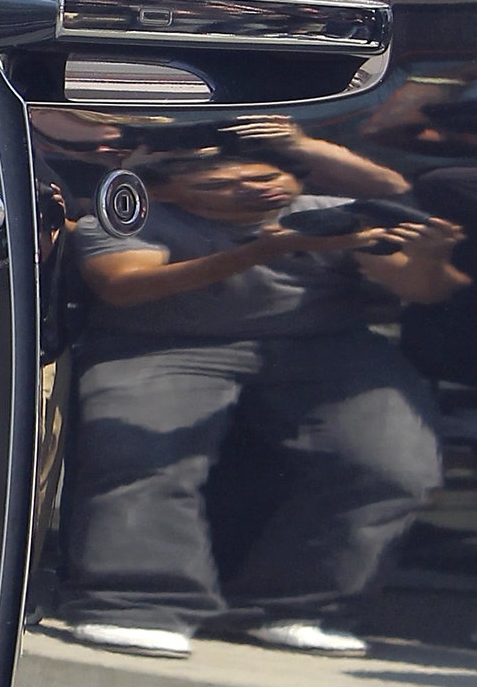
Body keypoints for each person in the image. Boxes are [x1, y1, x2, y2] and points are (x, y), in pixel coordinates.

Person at [60, 145, 461, 659]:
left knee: (393, 462)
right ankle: (136, 602)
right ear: (162, 188)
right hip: (160, 342)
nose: (261, 188)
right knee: (137, 449)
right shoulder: (128, 221)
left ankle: (299, 605)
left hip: (322, 343)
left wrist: (428, 259)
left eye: (270, 176)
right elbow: (123, 287)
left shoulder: (331, 214)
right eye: (227, 182)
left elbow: (426, 291)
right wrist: (258, 251)